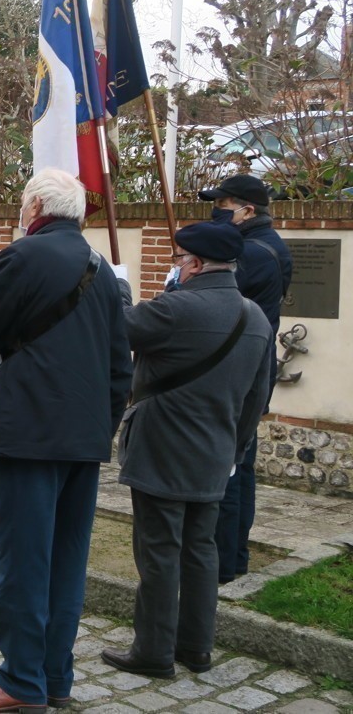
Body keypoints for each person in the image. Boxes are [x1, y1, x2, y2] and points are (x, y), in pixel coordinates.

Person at [0, 168, 133, 713]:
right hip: (84, 441)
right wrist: (100, 426)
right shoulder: (102, 269)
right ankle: (54, 677)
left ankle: (21, 683)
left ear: (33, 207)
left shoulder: (24, 256)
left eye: (22, 206)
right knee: (66, 565)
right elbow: (122, 367)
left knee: (24, 564)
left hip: (29, 436)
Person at [103, 221, 272, 677]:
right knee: (200, 549)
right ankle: (196, 647)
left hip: (161, 447)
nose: (175, 267)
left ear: (194, 265)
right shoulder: (255, 317)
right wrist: (234, 451)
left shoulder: (175, 308)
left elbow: (116, 328)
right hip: (217, 450)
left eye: (179, 260)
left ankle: (153, 652)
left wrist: (120, 284)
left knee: (159, 551)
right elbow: (258, 397)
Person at [197, 174, 292, 584]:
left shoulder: (252, 252)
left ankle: (220, 561)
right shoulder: (268, 244)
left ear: (247, 210)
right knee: (241, 465)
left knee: (229, 468)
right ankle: (234, 557)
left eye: (223, 205)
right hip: (251, 367)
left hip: (238, 372)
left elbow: (213, 299)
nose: (217, 212)